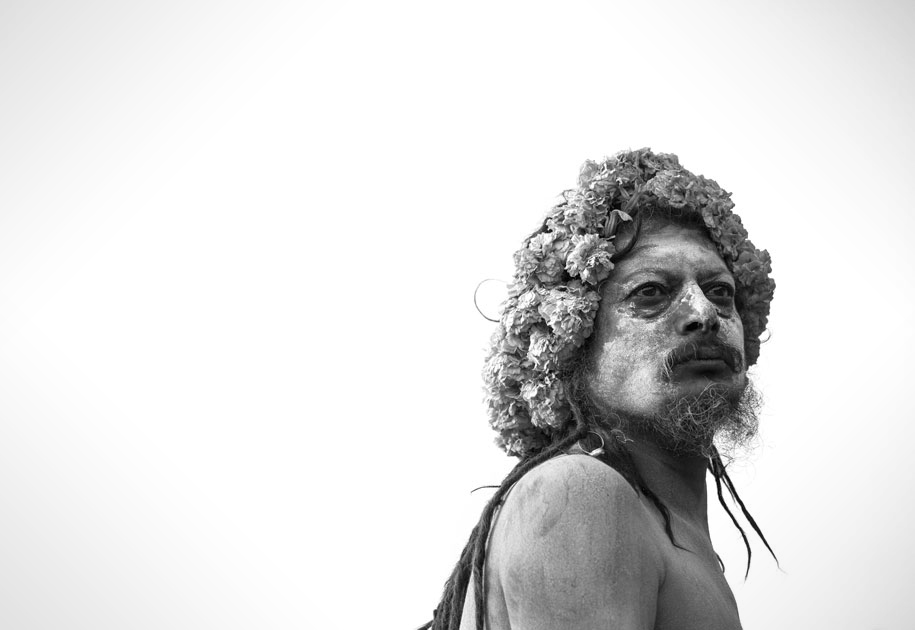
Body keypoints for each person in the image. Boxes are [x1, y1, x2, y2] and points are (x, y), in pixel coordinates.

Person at [419, 149, 777, 630]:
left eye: (720, 291)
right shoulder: (577, 494)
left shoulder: (676, 537)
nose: (704, 312)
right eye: (651, 291)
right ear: (574, 345)